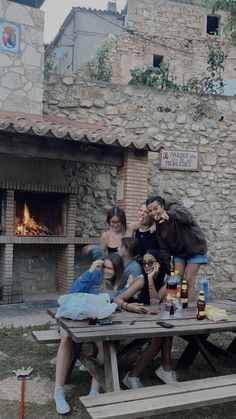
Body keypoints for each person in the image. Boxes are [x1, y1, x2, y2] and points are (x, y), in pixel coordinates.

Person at [54, 253, 144, 415]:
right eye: (105, 267)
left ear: (117, 270)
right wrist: (89, 270)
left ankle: (94, 391)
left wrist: (127, 287)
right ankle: (58, 391)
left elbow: (114, 300)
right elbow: (73, 290)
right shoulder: (95, 275)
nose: (107, 271)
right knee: (67, 338)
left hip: (91, 322)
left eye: (111, 268)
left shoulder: (113, 285)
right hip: (71, 316)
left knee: (106, 344)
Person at [122, 249, 178, 389]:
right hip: (136, 317)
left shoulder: (167, 279)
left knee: (167, 330)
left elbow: (156, 300)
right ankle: (131, 376)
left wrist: (151, 279)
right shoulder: (141, 280)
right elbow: (118, 298)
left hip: (154, 317)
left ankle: (166, 369)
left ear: (158, 263)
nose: (146, 265)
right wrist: (129, 306)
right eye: (144, 263)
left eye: (150, 262)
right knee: (159, 338)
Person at [146, 196, 208, 301]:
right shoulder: (159, 225)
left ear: (162, 206)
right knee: (175, 279)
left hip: (195, 248)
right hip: (179, 252)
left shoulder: (175, 208)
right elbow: (164, 248)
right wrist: (166, 266)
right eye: (150, 211)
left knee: (188, 280)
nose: (153, 212)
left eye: (155, 208)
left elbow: (186, 216)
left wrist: (170, 215)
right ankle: (170, 304)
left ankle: (189, 310)